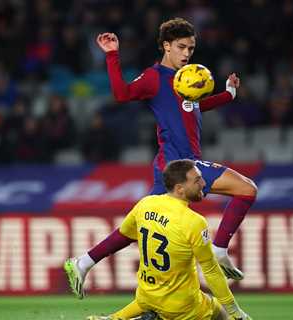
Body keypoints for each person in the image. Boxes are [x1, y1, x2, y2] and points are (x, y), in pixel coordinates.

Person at [66, 17, 258, 298]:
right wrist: (112, 55)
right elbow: (122, 94)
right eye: (181, 47)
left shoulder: (186, 80)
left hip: (178, 165)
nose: (186, 54)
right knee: (247, 190)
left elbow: (194, 107)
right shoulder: (155, 77)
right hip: (177, 165)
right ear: (166, 46)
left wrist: (228, 95)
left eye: (191, 49)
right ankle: (218, 249)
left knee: (139, 225)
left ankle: (83, 262)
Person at [76, 160, 252, 320]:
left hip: (146, 295)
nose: (204, 184)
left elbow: (124, 234)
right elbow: (211, 271)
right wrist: (236, 311)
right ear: (180, 189)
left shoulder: (145, 204)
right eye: (197, 180)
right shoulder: (194, 222)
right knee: (221, 313)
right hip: (182, 305)